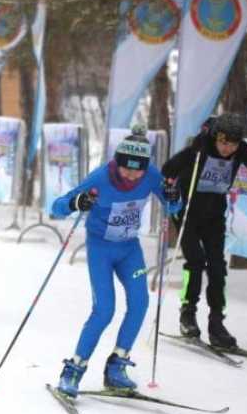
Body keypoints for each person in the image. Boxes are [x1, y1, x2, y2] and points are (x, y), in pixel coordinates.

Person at [49, 130, 182, 397]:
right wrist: (77, 202)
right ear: (117, 161)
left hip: (129, 249)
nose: (132, 176)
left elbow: (174, 209)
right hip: (101, 248)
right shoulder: (100, 178)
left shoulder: (152, 176)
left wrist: (173, 195)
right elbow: (57, 207)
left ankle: (116, 367)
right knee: (104, 310)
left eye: (138, 172)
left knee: (140, 303)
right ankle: (74, 369)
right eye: (125, 169)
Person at [162, 113, 247, 349]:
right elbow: (168, 169)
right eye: (224, 143)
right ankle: (188, 313)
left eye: (233, 144)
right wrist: (171, 192)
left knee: (217, 267)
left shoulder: (241, 150)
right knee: (195, 261)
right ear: (216, 137)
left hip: (214, 214)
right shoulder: (201, 146)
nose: (228, 149)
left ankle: (216, 323)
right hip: (187, 211)